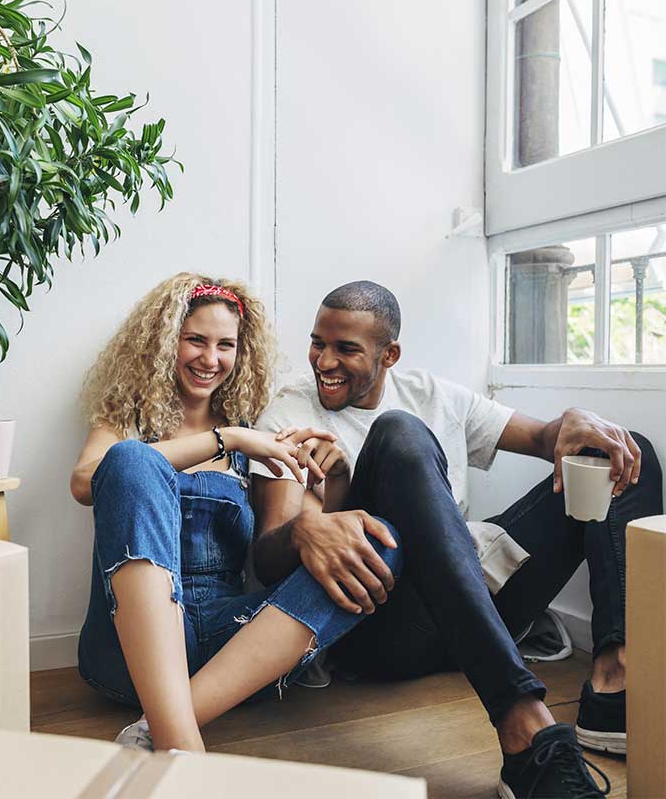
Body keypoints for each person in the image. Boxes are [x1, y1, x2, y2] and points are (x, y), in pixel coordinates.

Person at [249, 280, 662, 799]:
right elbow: (267, 555)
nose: (324, 361)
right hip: (383, 625)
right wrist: (305, 529)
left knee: (620, 450)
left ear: (389, 354)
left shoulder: (433, 394)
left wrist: (577, 421)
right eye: (317, 343)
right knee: (400, 433)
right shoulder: (289, 415)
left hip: (478, 602)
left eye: (346, 348)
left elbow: (542, 438)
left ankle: (613, 684)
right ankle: (523, 727)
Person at [70, 273, 403, 753]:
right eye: (195, 341)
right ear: (166, 343)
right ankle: (182, 743)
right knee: (132, 459)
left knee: (377, 539)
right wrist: (231, 440)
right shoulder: (131, 421)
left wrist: (337, 481)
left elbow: (293, 547)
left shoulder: (260, 432)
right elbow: (85, 482)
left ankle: (156, 727)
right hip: (126, 655)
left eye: (225, 345)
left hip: (230, 652)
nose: (210, 359)